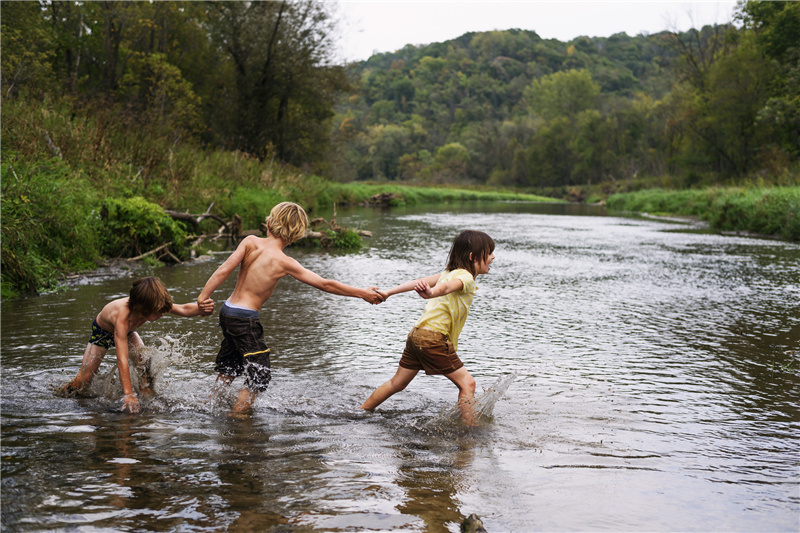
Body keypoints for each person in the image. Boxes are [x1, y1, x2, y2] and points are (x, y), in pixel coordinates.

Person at [196, 201, 385, 413]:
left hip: (228, 311)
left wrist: (204, 296)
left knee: (231, 364)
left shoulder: (250, 241)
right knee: (260, 373)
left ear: (269, 223)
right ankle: (238, 418)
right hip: (245, 319)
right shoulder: (284, 261)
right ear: (296, 234)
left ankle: (209, 405)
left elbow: (224, 269)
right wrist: (362, 293)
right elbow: (325, 284)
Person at [361, 230, 495, 424]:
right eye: (489, 252)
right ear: (473, 256)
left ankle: (361, 411)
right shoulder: (464, 277)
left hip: (417, 335)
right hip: (433, 338)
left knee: (396, 383)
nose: (493, 257)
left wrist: (388, 292)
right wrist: (432, 293)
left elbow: (418, 282)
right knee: (468, 383)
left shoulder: (448, 273)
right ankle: (469, 435)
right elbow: (446, 288)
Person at [55, 276, 214, 413]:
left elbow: (184, 309)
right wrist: (128, 394)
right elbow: (122, 359)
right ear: (142, 309)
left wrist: (200, 309)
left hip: (128, 332)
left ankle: (147, 395)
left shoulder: (154, 303)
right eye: (158, 312)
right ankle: (62, 393)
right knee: (85, 381)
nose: (161, 314)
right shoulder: (123, 317)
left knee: (143, 358)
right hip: (102, 332)